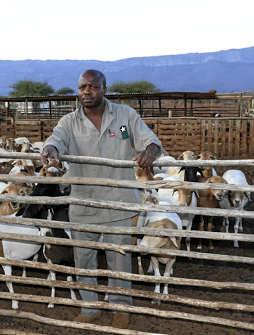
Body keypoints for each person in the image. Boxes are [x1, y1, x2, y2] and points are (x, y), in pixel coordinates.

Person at [41, 69, 163, 329]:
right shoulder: (69, 123)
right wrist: (50, 148)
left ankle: (121, 306)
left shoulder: (123, 118)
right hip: (84, 203)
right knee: (84, 258)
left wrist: (151, 148)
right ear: (78, 90)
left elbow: (144, 138)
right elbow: (56, 140)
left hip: (118, 202)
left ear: (104, 88)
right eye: (83, 86)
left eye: (93, 86)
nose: (87, 91)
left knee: (118, 257)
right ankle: (89, 307)